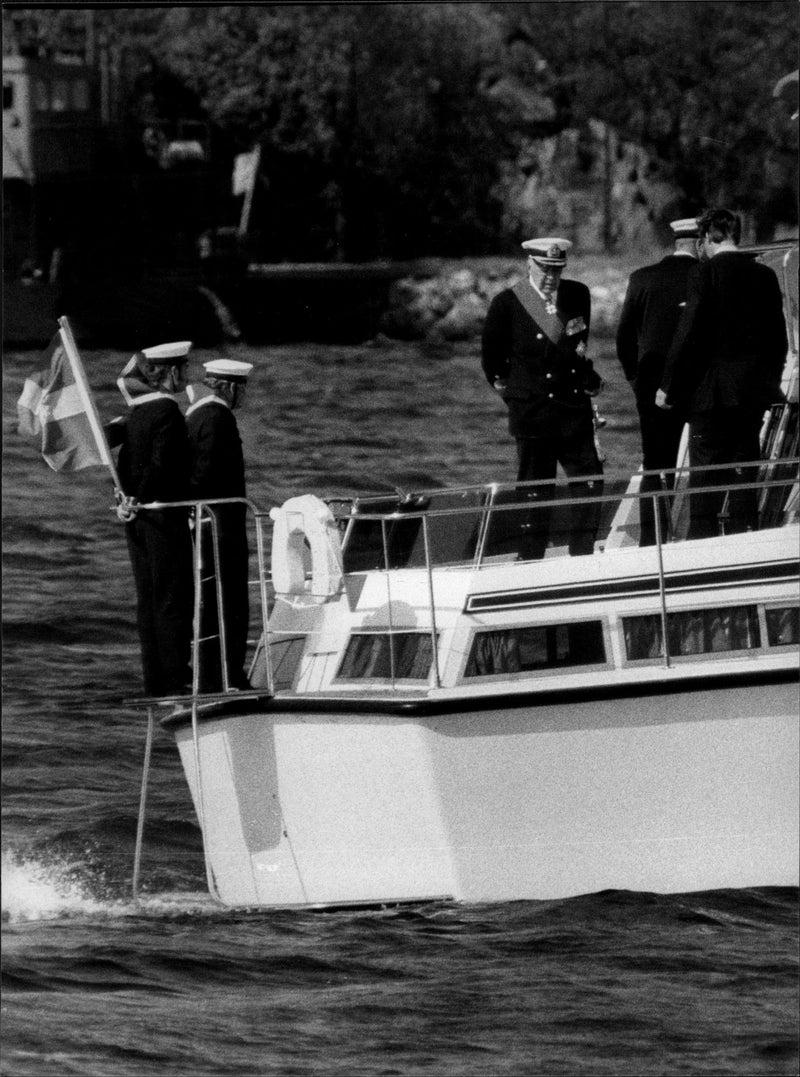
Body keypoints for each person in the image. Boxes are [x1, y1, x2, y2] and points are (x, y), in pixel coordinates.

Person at [657, 208, 788, 538]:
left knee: (706, 478)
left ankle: (703, 545)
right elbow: (779, 340)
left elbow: (687, 334)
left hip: (711, 394)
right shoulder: (765, 276)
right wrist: (768, 382)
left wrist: (668, 386)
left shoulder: (705, 274)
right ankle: (746, 538)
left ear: (705, 239)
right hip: (753, 393)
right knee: (745, 470)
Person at [481, 236, 604, 559]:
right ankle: (531, 558)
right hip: (533, 412)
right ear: (529, 264)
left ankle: (583, 554)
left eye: (556, 269)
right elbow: (494, 365)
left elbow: (576, 349)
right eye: (544, 269)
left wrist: (589, 379)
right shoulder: (507, 303)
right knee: (536, 490)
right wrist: (519, 399)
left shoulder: (577, 295)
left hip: (572, 409)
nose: (550, 277)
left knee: (590, 482)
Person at [114, 342, 194, 698]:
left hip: (137, 519)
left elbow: (124, 463)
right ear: (172, 372)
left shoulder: (135, 413)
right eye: (185, 370)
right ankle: (177, 679)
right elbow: (162, 465)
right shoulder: (167, 412)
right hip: (164, 517)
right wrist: (142, 496)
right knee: (172, 599)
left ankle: (155, 680)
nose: (187, 377)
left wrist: (126, 498)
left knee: (148, 599)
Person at [615, 217, 701, 545]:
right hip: (698, 384)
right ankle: (699, 536)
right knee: (701, 459)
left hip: (651, 384)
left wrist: (637, 381)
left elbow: (624, 340)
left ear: (677, 241)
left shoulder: (642, 279)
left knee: (655, 464)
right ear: (698, 242)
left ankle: (652, 540)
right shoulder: (705, 277)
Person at [185, 358, 254, 691]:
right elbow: (206, 471)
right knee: (230, 602)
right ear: (228, 387)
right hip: (221, 526)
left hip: (206, 524)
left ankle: (213, 675)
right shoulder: (218, 417)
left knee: (210, 602)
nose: (244, 397)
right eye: (242, 389)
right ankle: (229, 676)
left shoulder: (196, 413)